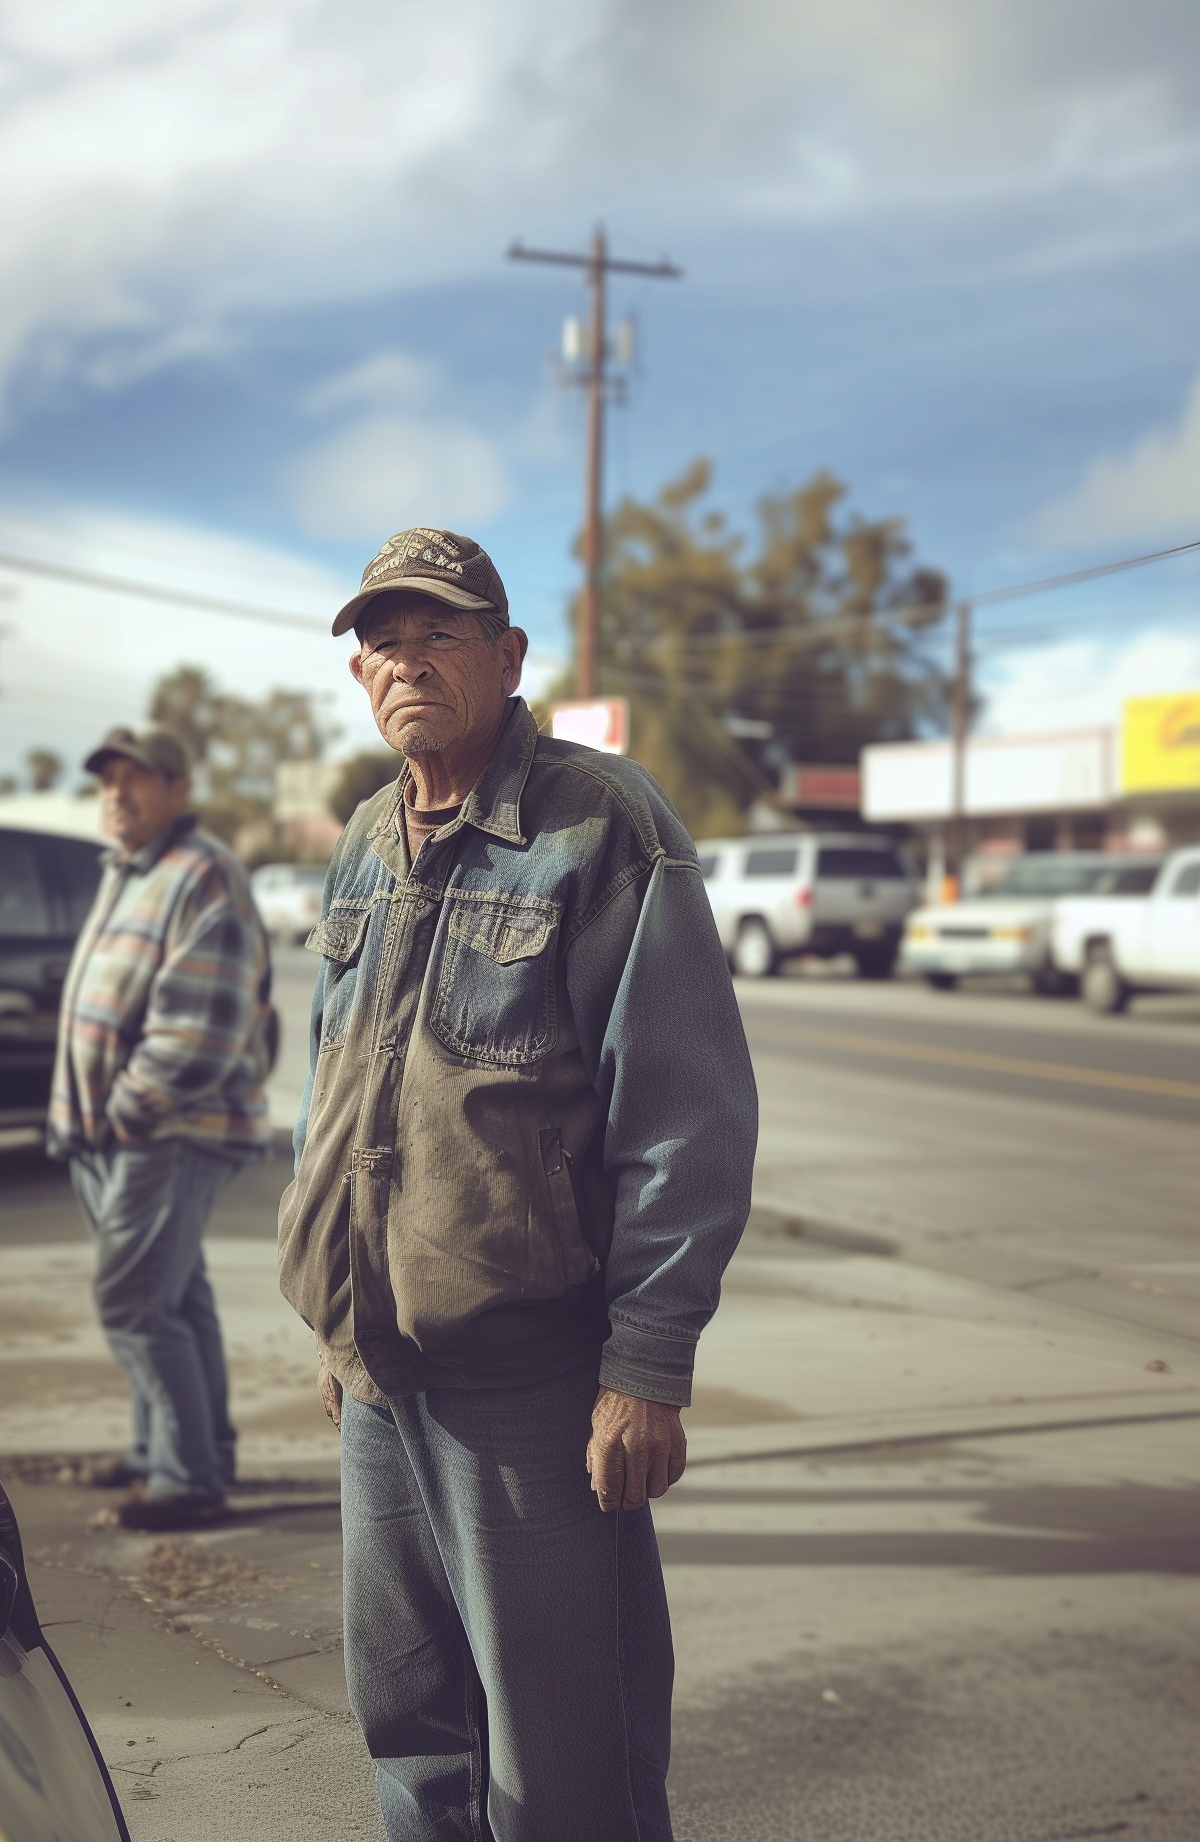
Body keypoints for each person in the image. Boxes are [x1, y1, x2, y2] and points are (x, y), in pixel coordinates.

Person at [280, 528, 757, 1840]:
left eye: (438, 631)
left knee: (566, 1770)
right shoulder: (368, 840)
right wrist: (337, 1302)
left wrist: (648, 1361)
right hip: (382, 1373)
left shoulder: (603, 824)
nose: (405, 659)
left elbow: (684, 1112)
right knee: (416, 1735)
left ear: (508, 653)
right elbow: (334, 1081)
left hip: (536, 1386)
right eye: (380, 637)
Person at [49, 724, 275, 1532]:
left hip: (167, 1127)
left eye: (136, 778)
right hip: (119, 1132)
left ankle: (186, 1479)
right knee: (173, 1297)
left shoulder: (200, 871)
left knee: (135, 1300)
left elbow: (202, 1027)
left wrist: (125, 1112)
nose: (117, 792)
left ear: (178, 790)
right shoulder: (131, 871)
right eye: (107, 778)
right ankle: (179, 1452)